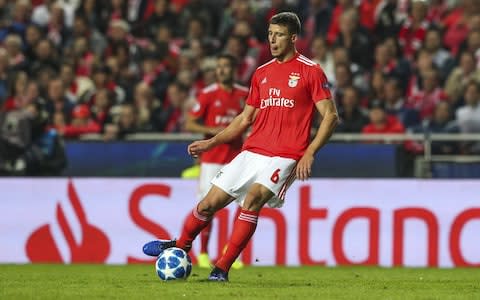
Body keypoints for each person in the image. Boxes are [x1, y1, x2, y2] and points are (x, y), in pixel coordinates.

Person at [143, 12, 338, 282]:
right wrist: (211, 142)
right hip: (251, 151)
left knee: (253, 200)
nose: (272, 39)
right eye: (270, 34)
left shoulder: (310, 70)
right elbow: (244, 119)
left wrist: (310, 152)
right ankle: (181, 245)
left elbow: (331, 116)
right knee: (208, 204)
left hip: (285, 155)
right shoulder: (261, 73)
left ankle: (220, 269)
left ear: (293, 38)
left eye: (279, 34)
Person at [184, 53, 249, 269]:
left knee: (243, 205)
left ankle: (231, 252)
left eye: (226, 66)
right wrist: (212, 131)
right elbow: (191, 123)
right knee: (206, 207)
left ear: (233, 70)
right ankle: (203, 252)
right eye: (219, 66)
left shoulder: (244, 94)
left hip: (237, 159)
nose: (222, 70)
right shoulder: (207, 94)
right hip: (211, 160)